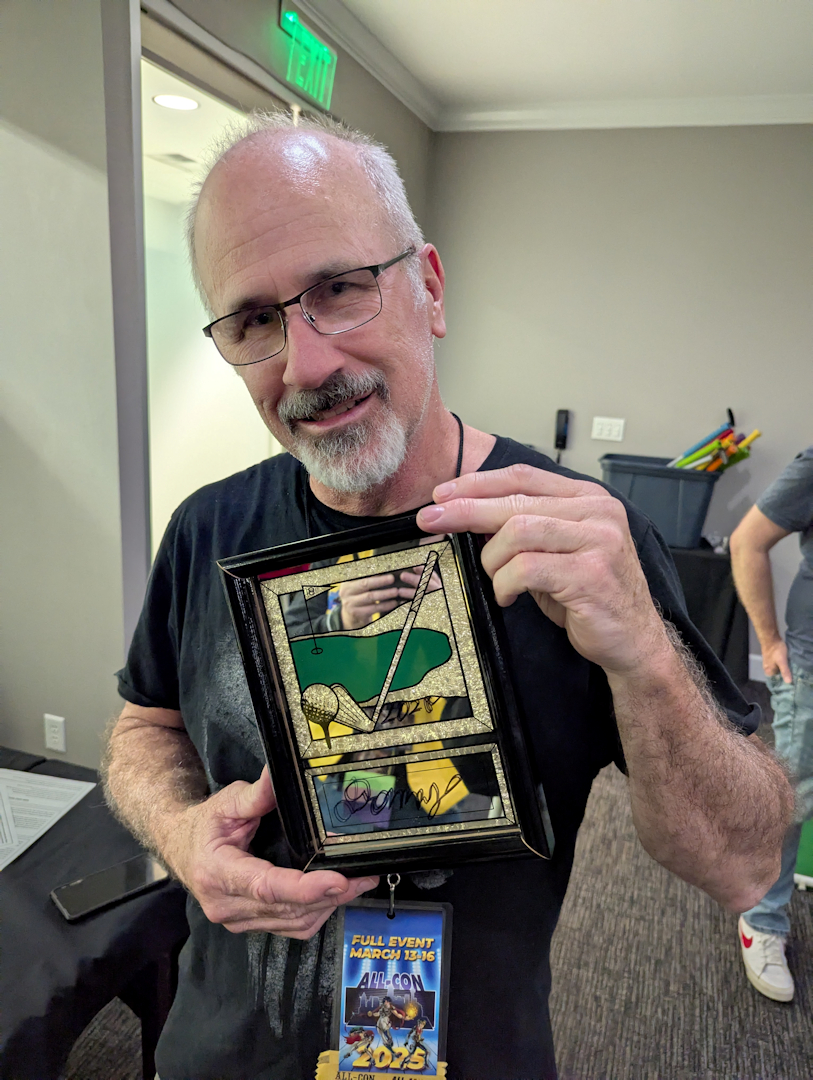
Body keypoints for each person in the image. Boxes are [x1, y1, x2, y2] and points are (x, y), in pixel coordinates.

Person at [103, 112, 793, 1080]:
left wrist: (643, 654)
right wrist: (180, 835)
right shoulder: (206, 528)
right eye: (255, 320)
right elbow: (144, 726)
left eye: (339, 289)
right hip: (219, 1052)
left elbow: (746, 862)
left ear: (428, 288)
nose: (306, 365)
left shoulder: (586, 542)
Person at [730, 446, 813, 1002]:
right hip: (810, 670)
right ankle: (762, 921)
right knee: (793, 798)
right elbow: (748, 541)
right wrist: (769, 642)